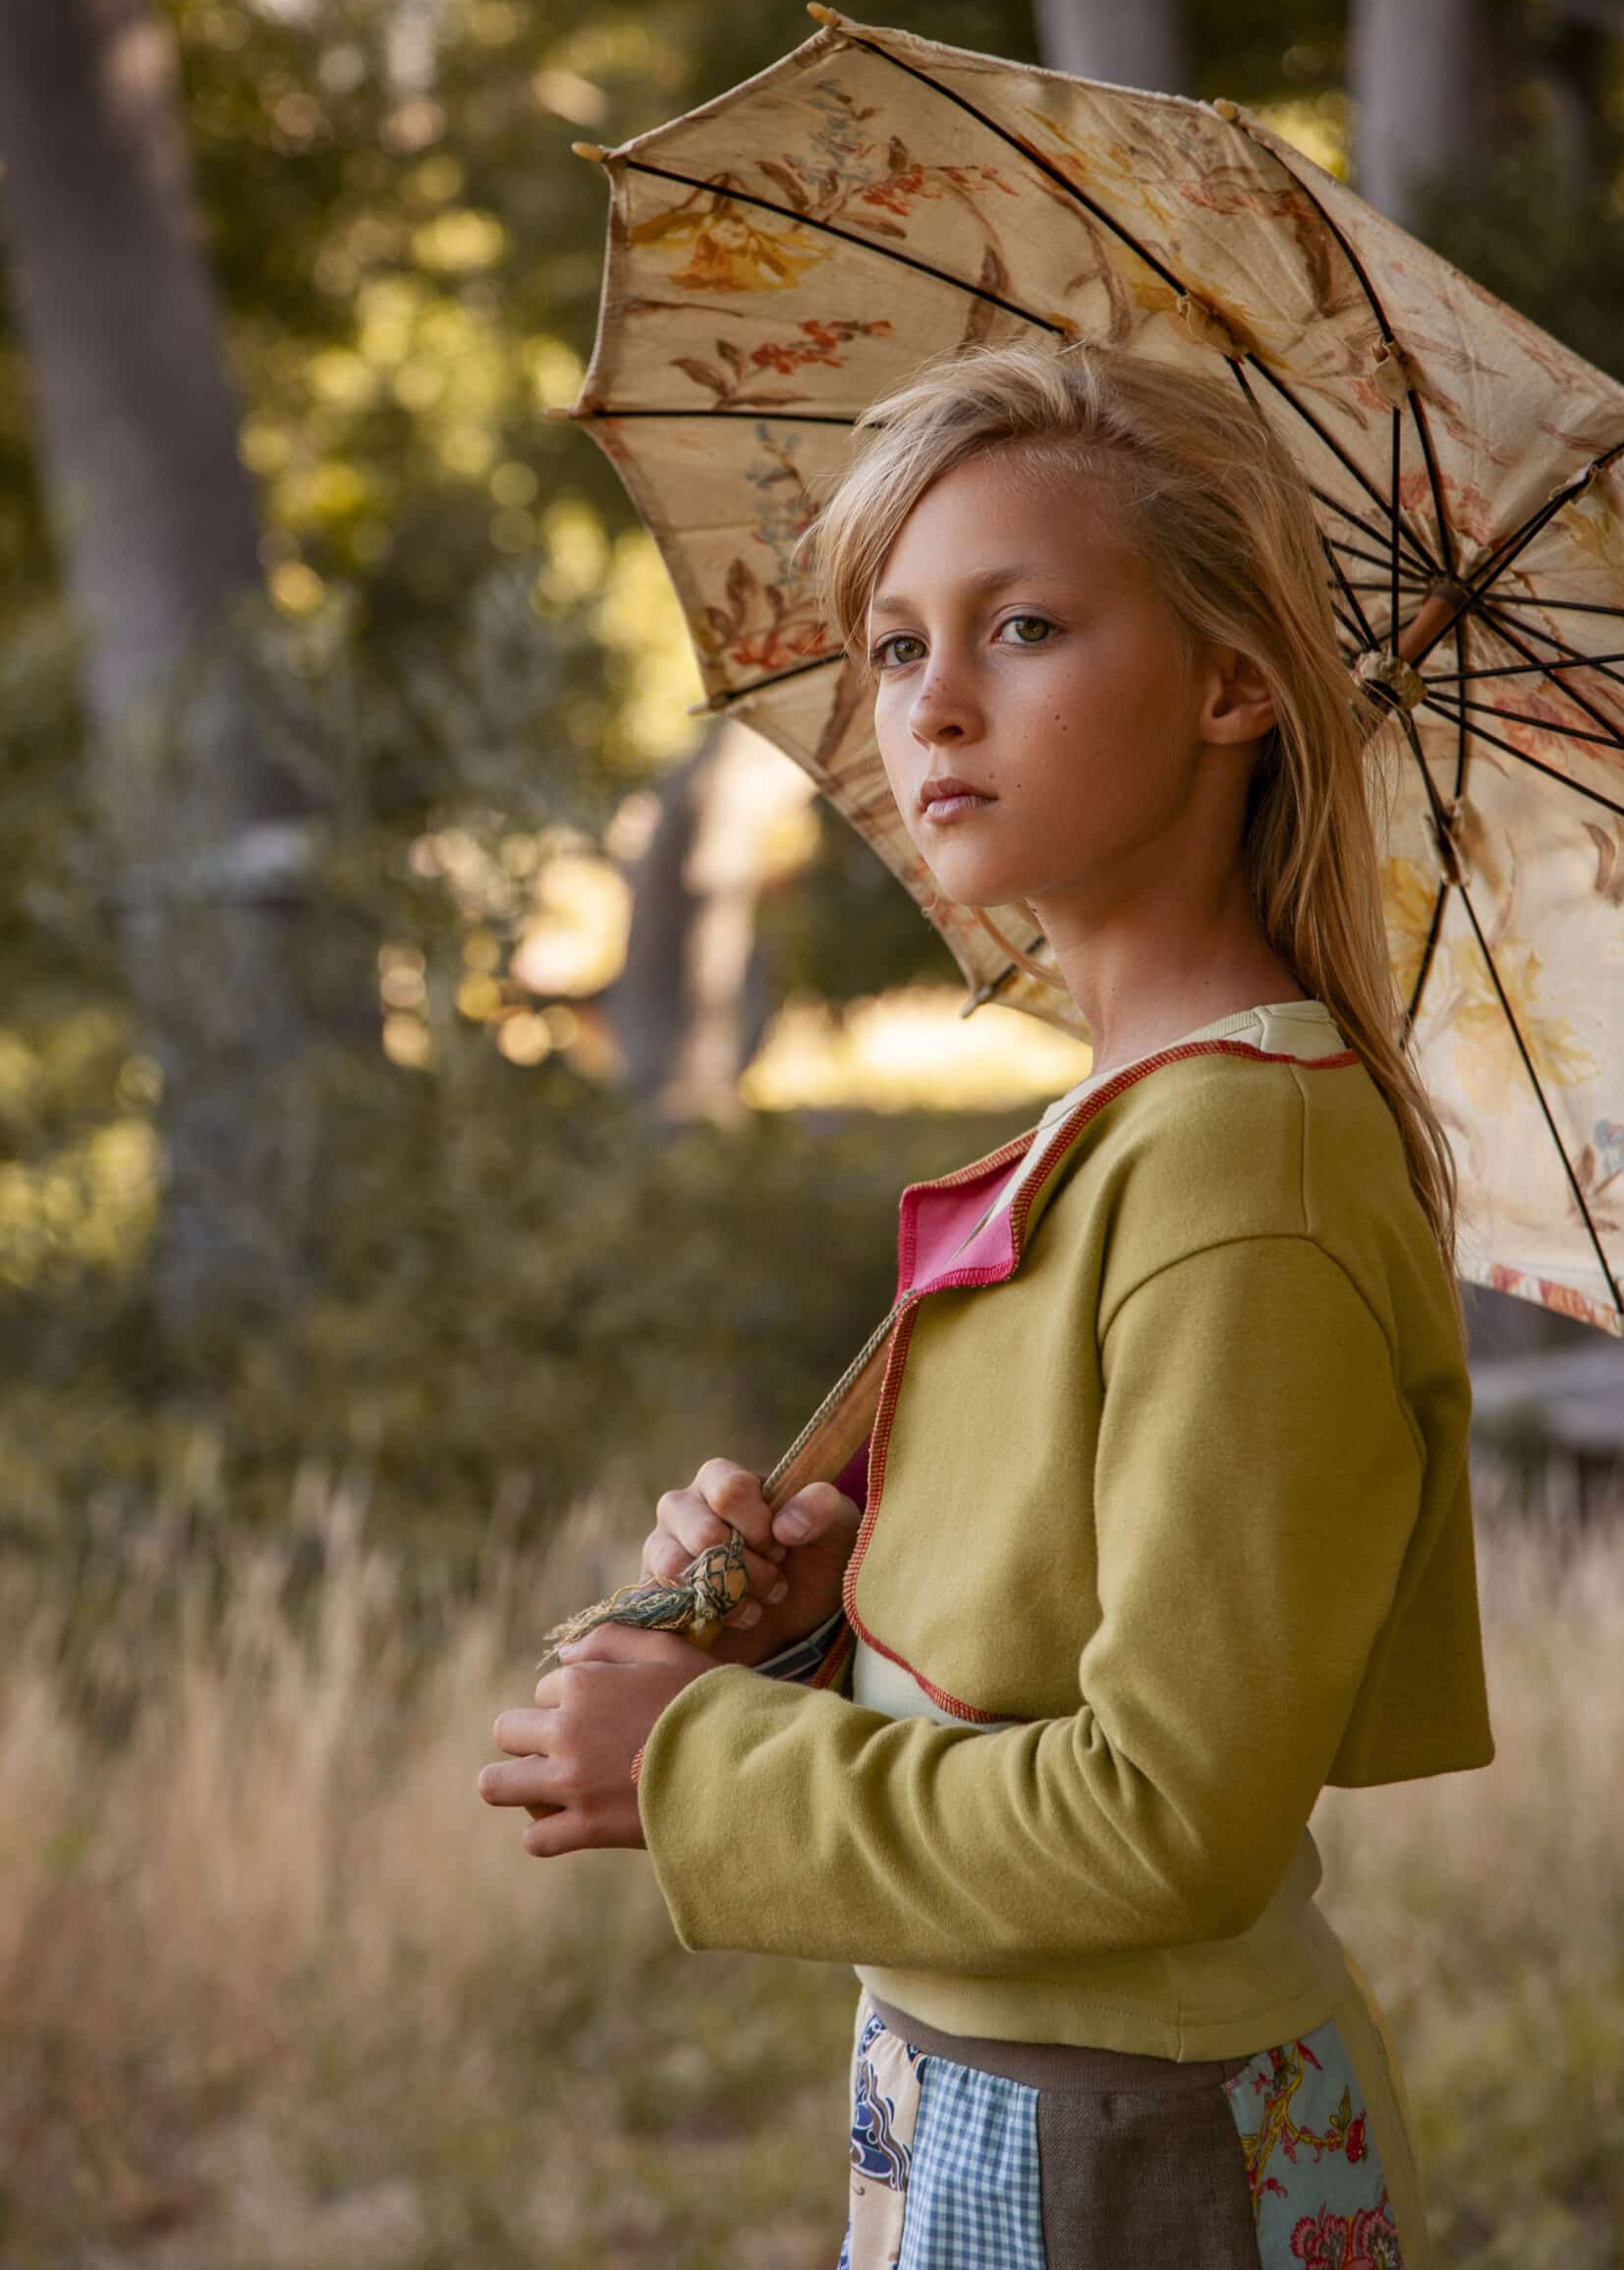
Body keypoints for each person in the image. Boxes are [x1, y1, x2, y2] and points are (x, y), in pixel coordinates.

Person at [479, 339, 1495, 2268]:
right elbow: (1044, 1637)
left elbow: (1158, 1814)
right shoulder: (1122, 1126)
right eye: (889, 647)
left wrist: (696, 1759)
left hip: (1129, 2137)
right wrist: (803, 1618)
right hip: (997, 2079)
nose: (929, 704)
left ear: (1227, 683)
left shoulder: (1233, 1169)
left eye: (1019, 627)